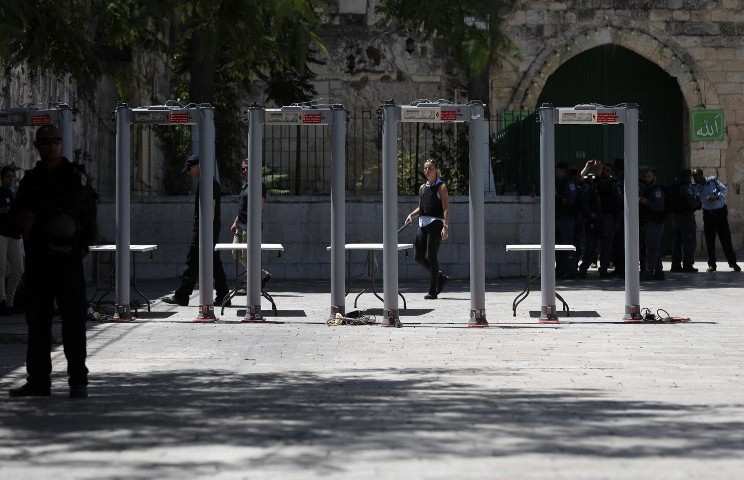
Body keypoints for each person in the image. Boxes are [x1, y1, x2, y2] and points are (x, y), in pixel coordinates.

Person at [9, 125, 97, 398]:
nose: (49, 146)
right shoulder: (31, 180)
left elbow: (89, 215)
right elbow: (18, 216)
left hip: (68, 261)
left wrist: (80, 246)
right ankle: (38, 380)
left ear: (61, 144)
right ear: (37, 146)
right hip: (39, 261)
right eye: (44, 142)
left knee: (74, 323)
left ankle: (77, 380)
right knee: (37, 324)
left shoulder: (75, 177)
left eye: (54, 141)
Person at [164, 154, 230, 306]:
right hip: (207, 229)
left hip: (205, 230)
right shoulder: (207, 182)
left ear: (198, 166)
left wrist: (204, 232)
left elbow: (211, 209)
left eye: (189, 169)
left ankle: (182, 295)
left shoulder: (208, 183)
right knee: (214, 263)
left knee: (192, 262)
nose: (189, 173)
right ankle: (223, 296)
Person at [404, 159, 449, 299]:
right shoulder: (423, 188)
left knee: (431, 256)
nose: (427, 171)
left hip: (436, 223)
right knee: (418, 257)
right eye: (425, 168)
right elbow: (422, 207)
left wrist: (445, 226)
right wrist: (411, 214)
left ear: (436, 170)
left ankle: (433, 291)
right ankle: (439, 276)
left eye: (430, 168)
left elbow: (445, 207)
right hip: (422, 224)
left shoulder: (441, 186)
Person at [229, 158, 270, 287]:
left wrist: (253, 226)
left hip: (250, 226)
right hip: (240, 225)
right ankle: (260, 274)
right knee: (235, 252)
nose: (245, 170)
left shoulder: (259, 184)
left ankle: (251, 283)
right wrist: (235, 222)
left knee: (247, 255)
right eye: (243, 168)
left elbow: (261, 205)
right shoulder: (245, 185)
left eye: (247, 167)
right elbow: (242, 206)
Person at [693, 168, 741, 272]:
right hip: (708, 214)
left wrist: (716, 196)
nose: (696, 180)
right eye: (694, 178)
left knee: (726, 240)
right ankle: (712, 265)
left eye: (697, 177)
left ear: (702, 175)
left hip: (720, 213)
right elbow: (696, 199)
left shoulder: (712, 181)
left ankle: (733, 263)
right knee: (710, 241)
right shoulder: (696, 187)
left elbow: (724, 189)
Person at [0, 165, 23, 315]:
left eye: (12, 177)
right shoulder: (0, 192)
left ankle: (10, 300)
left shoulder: (16, 194)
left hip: (14, 234)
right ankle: (2, 301)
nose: (10, 179)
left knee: (19, 269)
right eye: (8, 176)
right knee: (1, 267)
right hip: (1, 233)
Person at [668, 169, 701, 273]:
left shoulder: (674, 186)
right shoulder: (686, 187)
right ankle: (688, 265)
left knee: (676, 242)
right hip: (686, 217)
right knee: (689, 242)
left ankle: (675, 265)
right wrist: (698, 203)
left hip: (675, 217)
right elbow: (692, 202)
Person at [639, 168, 666, 280]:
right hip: (647, 222)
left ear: (654, 177)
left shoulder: (656, 190)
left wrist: (645, 202)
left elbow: (658, 207)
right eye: (645, 176)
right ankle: (658, 271)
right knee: (652, 248)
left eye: (649, 176)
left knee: (652, 249)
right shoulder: (645, 189)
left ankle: (650, 272)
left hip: (655, 222)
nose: (647, 179)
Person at [555, 161, 578, 278]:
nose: (556, 173)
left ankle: (569, 270)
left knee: (567, 245)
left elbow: (570, 201)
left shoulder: (569, 182)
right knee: (558, 246)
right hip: (559, 217)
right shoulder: (558, 182)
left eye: (558, 170)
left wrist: (557, 196)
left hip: (567, 218)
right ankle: (560, 269)